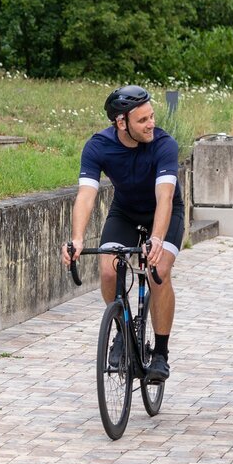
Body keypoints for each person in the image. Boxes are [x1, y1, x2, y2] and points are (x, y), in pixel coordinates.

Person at [61, 85, 184, 382]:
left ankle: (161, 354)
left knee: (158, 271)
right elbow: (86, 195)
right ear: (121, 122)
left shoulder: (164, 144)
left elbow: (165, 198)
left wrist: (156, 238)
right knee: (107, 270)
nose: (151, 124)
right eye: (142, 120)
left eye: (151, 116)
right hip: (125, 213)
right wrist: (76, 238)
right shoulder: (98, 146)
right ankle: (124, 334)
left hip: (164, 212)